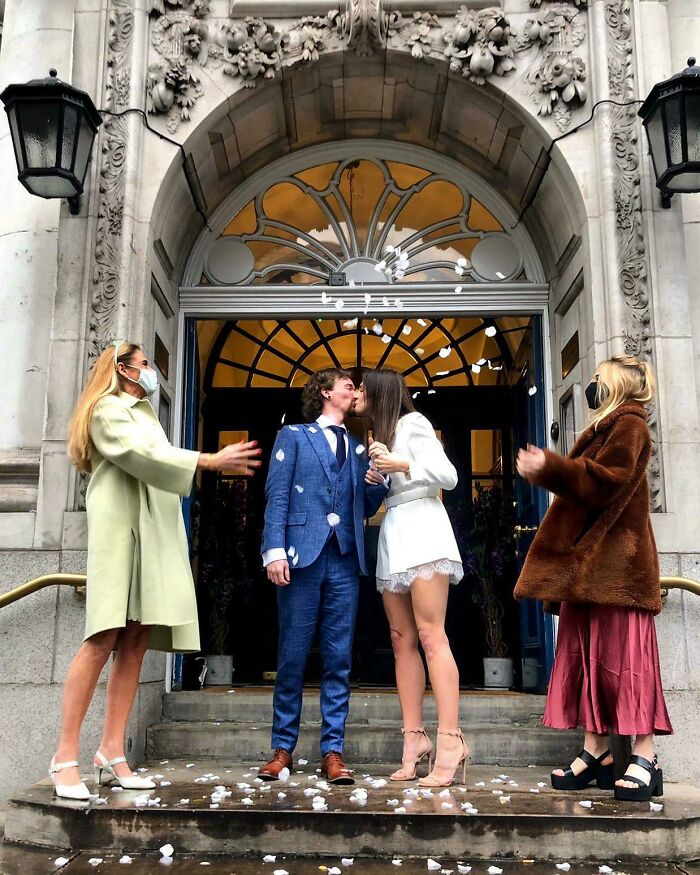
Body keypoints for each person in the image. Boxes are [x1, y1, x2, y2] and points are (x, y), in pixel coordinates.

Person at [52, 341, 261, 800]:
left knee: (137, 638)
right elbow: (137, 456)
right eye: (145, 365)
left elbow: (154, 459)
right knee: (102, 636)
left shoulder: (145, 412)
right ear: (123, 370)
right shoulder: (107, 409)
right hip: (122, 530)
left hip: (153, 530)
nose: (152, 373)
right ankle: (64, 757)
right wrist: (207, 460)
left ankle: (111, 752)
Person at [514, 355, 672, 802]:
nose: (592, 385)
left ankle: (645, 755)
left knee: (628, 662)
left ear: (619, 384)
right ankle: (597, 751)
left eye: (599, 378)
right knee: (589, 660)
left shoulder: (631, 425)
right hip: (587, 571)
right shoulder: (605, 428)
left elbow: (607, 482)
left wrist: (551, 468)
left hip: (618, 569)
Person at [259, 367, 388, 784]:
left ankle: (333, 751)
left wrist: (377, 480)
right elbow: (277, 494)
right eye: (347, 385)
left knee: (338, 658)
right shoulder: (294, 436)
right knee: (292, 657)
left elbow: (363, 507)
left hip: (345, 560)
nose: (354, 390)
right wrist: (273, 550)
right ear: (324, 392)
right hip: (301, 558)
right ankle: (282, 749)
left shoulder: (357, 446)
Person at [354, 369, 466, 788]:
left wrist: (401, 462)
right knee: (401, 638)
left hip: (423, 527)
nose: (357, 394)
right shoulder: (378, 435)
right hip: (394, 529)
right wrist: (377, 478)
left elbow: (449, 476)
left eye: (363, 388)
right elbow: (389, 486)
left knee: (431, 633)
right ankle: (414, 739)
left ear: (382, 392)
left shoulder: (414, 424)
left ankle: (451, 739)